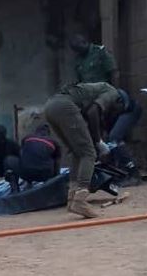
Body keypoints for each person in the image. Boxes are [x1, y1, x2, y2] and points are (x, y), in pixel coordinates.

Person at [44, 82, 126, 218]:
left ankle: (72, 198)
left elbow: (90, 115)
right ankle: (80, 199)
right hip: (65, 106)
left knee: (77, 152)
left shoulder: (95, 91)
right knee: (88, 153)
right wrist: (99, 142)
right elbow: (93, 111)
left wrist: (95, 137)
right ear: (119, 101)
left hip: (50, 106)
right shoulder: (112, 93)